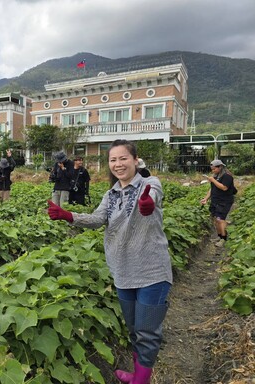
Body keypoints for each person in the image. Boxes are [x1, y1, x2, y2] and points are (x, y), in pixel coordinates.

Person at [47, 139, 172, 384]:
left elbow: (154, 196)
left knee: (147, 332)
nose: (118, 164)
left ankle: (140, 381)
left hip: (152, 273)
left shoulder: (150, 184)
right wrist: (68, 215)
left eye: (123, 158)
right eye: (113, 160)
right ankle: (138, 373)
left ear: (135, 160)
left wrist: (148, 204)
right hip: (123, 271)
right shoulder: (110, 193)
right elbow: (97, 219)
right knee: (135, 330)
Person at [200, 159, 236, 246]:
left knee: (220, 220)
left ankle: (223, 238)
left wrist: (213, 180)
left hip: (224, 202)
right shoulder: (216, 176)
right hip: (215, 201)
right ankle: (219, 236)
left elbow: (224, 188)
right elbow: (212, 189)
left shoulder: (227, 176)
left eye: (214, 169)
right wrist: (206, 198)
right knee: (216, 220)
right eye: (212, 169)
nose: (213, 171)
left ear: (220, 167)